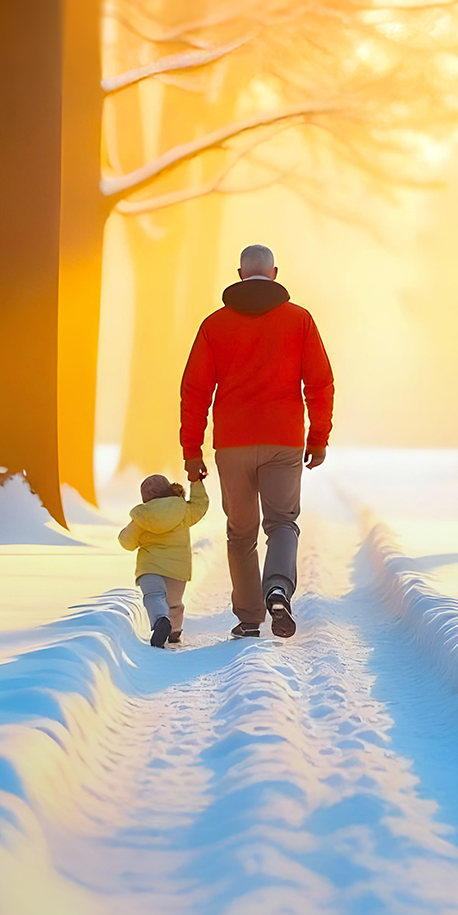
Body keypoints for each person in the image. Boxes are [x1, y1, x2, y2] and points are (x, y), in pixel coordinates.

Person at [180, 242, 335, 638]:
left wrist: (192, 450)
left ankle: (249, 618)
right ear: (275, 274)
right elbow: (320, 384)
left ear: (239, 275)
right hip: (283, 440)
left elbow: (195, 391)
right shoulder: (299, 321)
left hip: (232, 444)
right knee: (282, 522)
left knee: (241, 531)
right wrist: (317, 438)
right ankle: (278, 588)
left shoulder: (214, 325)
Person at [119, 470, 210, 647]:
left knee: (154, 596)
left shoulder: (142, 516)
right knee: (174, 604)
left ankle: (160, 620)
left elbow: (126, 542)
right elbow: (201, 505)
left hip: (150, 567)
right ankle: (174, 631)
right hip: (178, 569)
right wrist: (196, 483)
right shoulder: (183, 509)